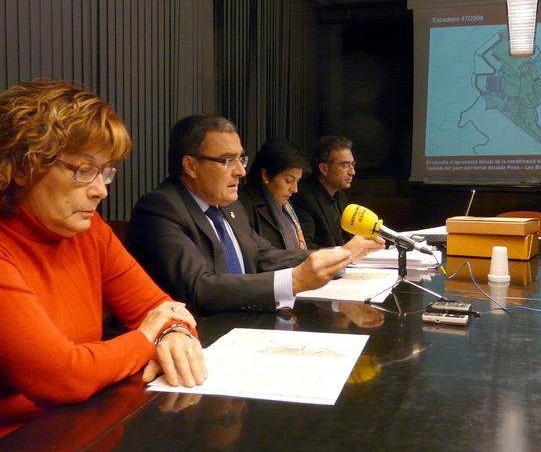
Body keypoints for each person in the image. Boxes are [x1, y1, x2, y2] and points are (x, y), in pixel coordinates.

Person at [0, 79, 206, 437]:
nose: (101, 190)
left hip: (82, 421)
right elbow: (64, 376)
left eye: (105, 172)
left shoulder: (88, 230)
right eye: (84, 170)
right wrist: (147, 338)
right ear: (22, 168)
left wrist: (175, 333)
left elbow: (162, 309)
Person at [127, 115, 382, 314]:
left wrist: (334, 257)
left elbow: (261, 256)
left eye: (241, 159)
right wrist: (294, 280)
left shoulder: (229, 206)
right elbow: (199, 288)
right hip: (199, 339)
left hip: (247, 324)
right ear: (191, 166)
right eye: (228, 161)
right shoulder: (160, 209)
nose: (241, 171)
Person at [239, 140, 311, 250]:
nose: (295, 189)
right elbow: (258, 254)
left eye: (297, 181)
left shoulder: (286, 206)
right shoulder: (244, 206)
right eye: (289, 180)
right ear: (266, 175)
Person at [292, 135, 356, 249]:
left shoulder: (340, 194)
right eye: (345, 165)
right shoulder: (304, 197)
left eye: (353, 165)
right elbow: (306, 247)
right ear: (324, 169)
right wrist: (343, 251)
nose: (352, 172)